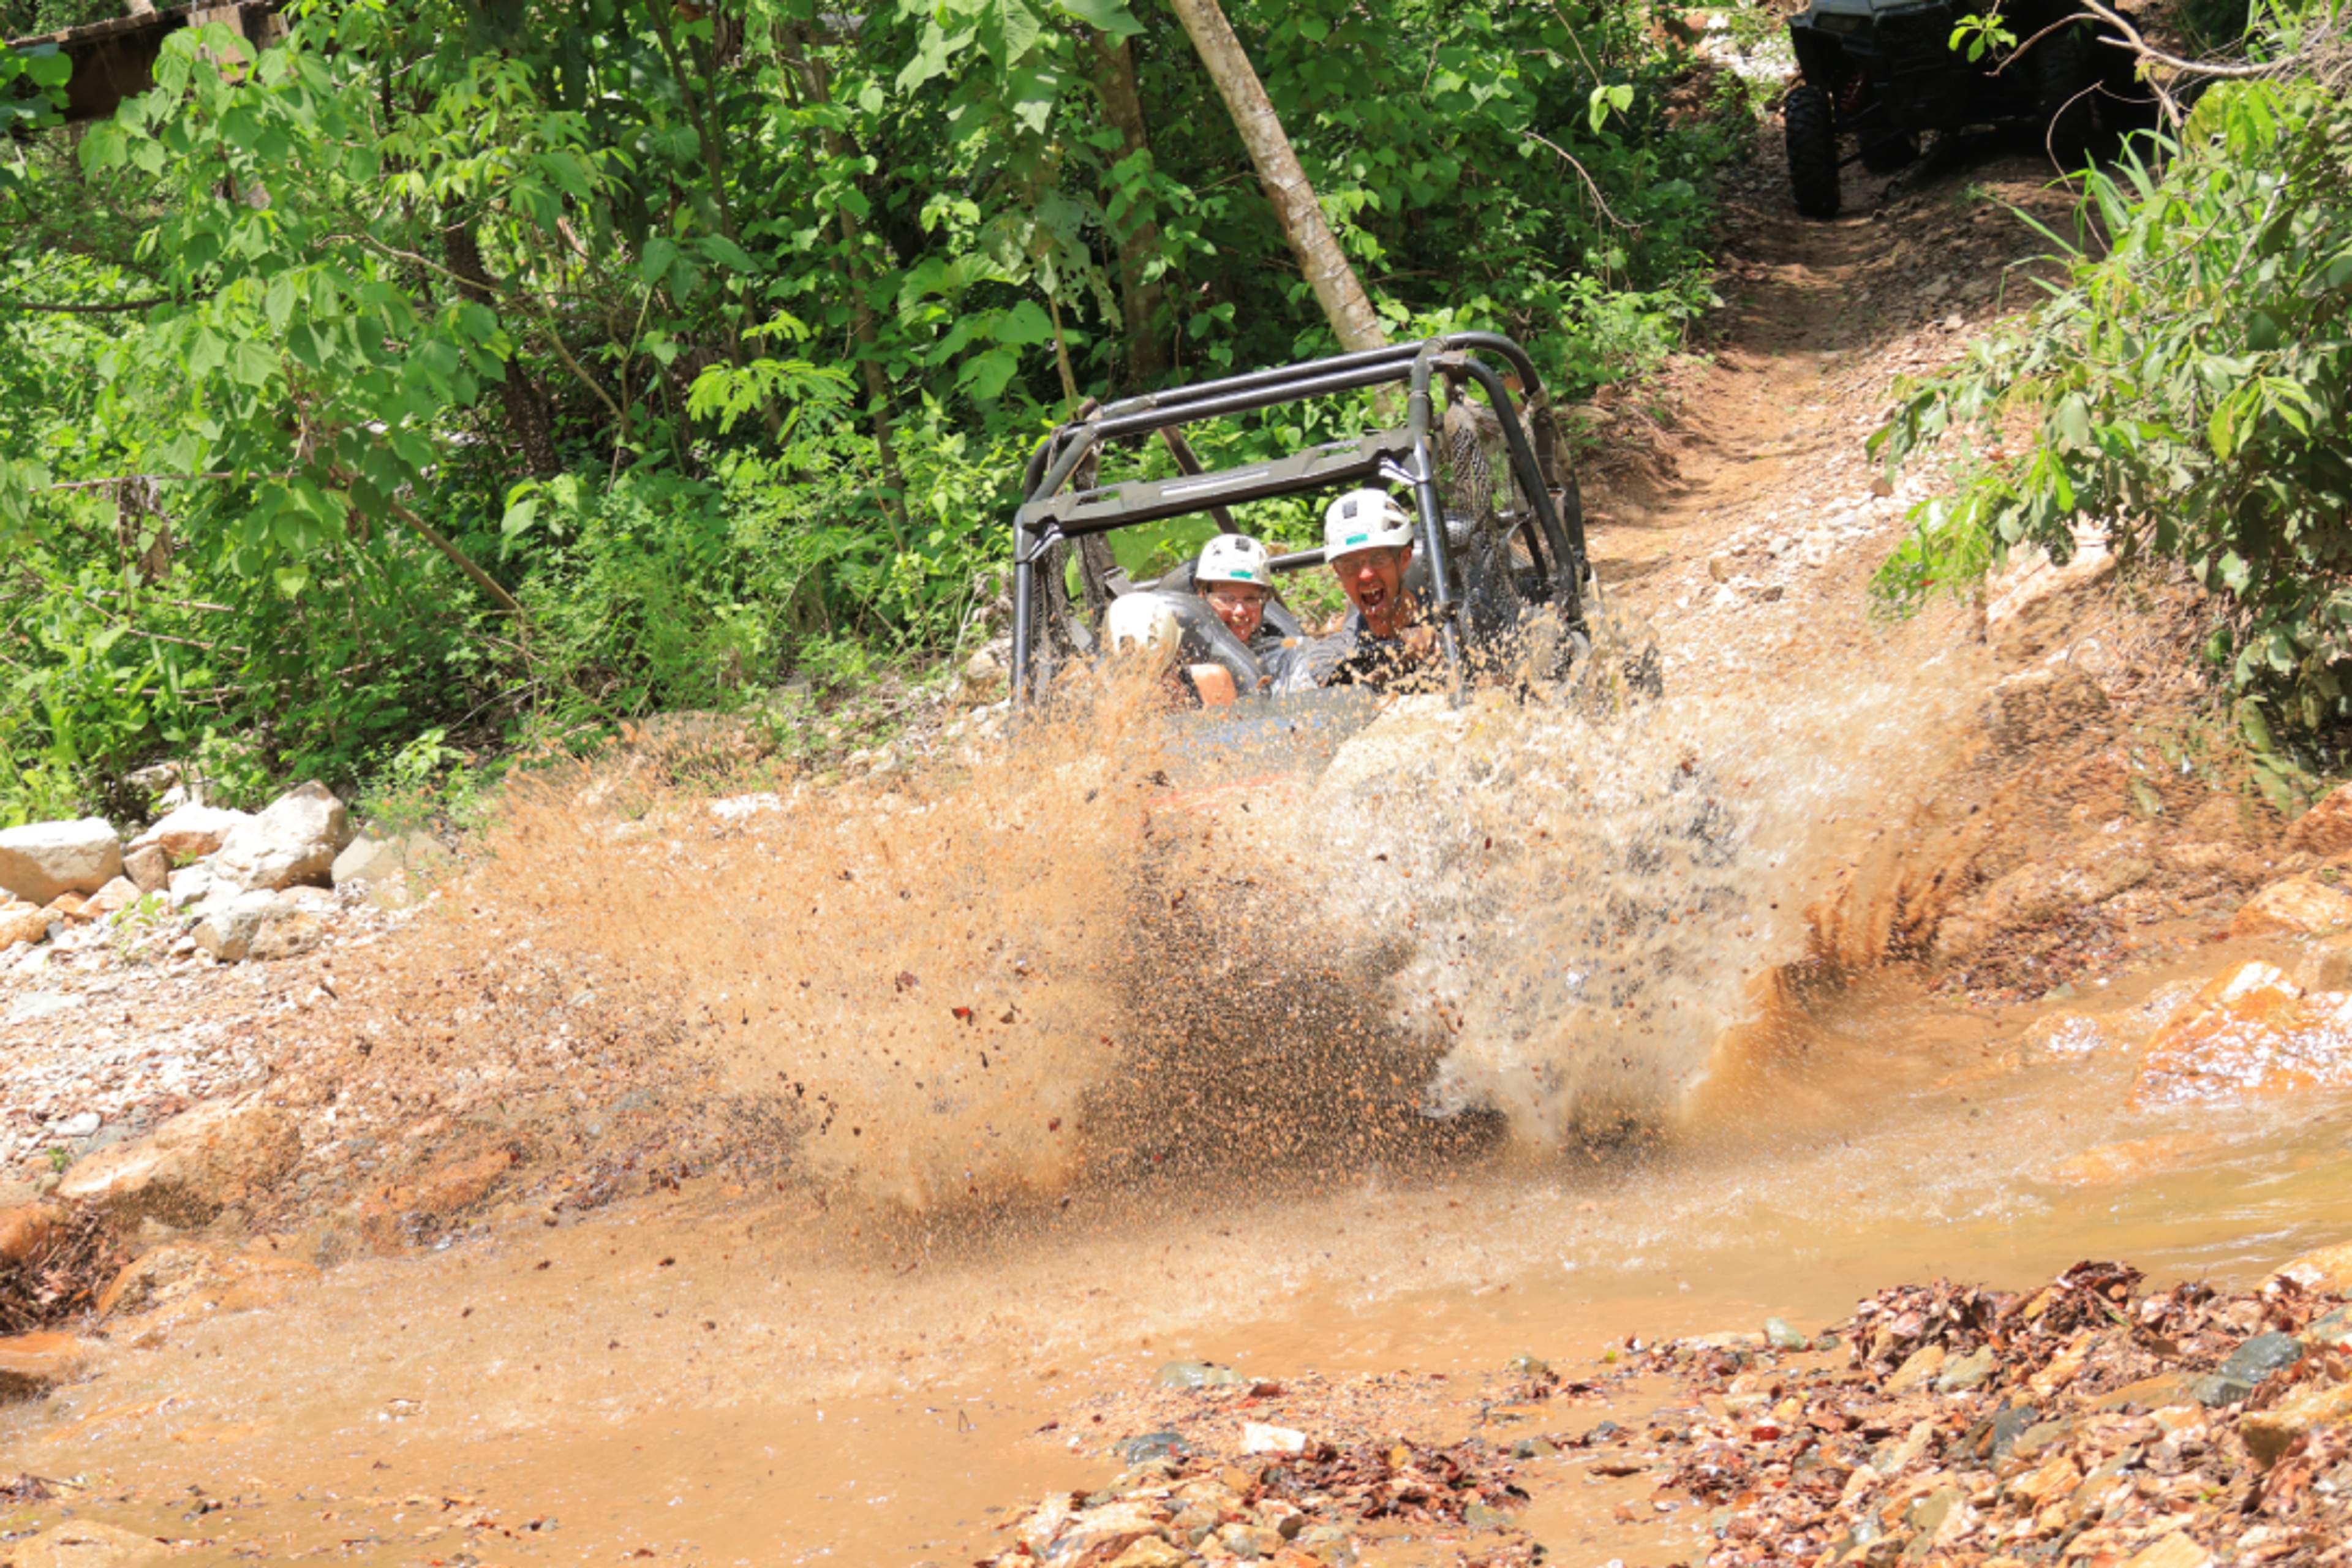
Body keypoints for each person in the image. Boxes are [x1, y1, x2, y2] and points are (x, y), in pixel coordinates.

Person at [1284, 488, 1439, 690]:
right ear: (1338, 572)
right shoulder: (1337, 651)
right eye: (1350, 565)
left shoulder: (1451, 623)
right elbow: (1316, 670)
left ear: (1404, 559)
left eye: (1378, 559)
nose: (1365, 575)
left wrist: (1439, 645)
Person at [1193, 533, 1281, 652]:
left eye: (1251, 599)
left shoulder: (1281, 653)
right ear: (1203, 597)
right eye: (1226, 599)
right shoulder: (1184, 648)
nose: (1240, 611)